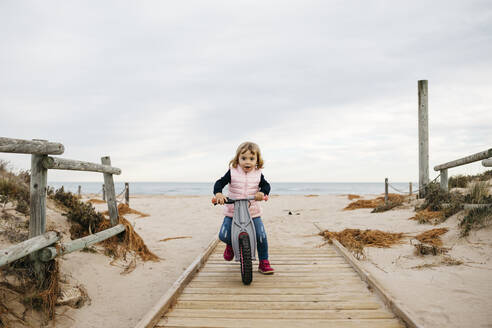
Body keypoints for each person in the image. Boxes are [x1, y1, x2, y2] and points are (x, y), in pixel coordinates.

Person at [213, 141, 275, 274]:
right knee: (224, 235)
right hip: (232, 212)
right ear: (237, 159)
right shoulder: (232, 172)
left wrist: (262, 193)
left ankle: (264, 262)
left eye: (252, 159)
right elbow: (220, 183)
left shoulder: (258, 173)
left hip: (253, 212)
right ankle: (230, 245)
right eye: (244, 158)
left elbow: (266, 186)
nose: (248, 162)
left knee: (261, 236)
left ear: (257, 160)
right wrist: (218, 194)